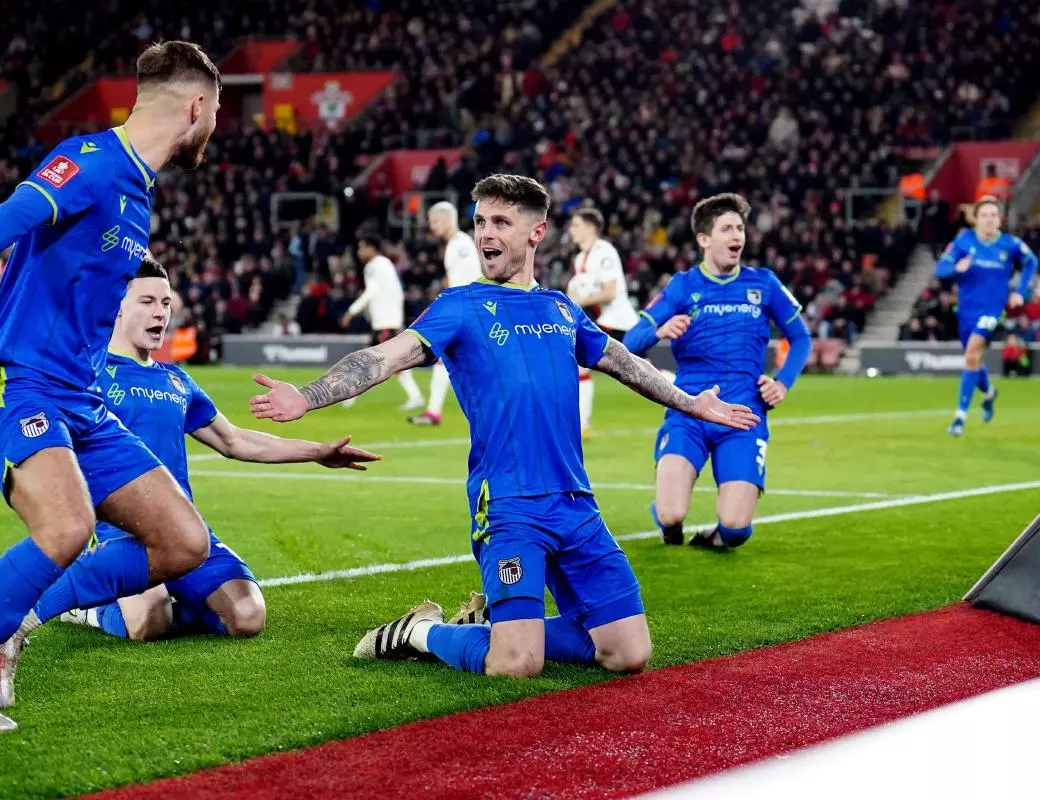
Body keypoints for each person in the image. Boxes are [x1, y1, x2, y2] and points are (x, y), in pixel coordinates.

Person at [249, 174, 759, 678]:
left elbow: (624, 361)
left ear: (536, 233)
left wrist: (689, 402)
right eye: (479, 222)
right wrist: (308, 396)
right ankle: (418, 632)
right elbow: (382, 359)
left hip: (576, 504)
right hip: (510, 505)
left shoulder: (560, 308)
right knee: (516, 663)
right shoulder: (459, 307)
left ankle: (499, 622)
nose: (485, 234)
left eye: (500, 222)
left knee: (628, 653)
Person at [0, 41, 224, 733]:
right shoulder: (94, 160)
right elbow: (27, 203)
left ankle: (15, 623)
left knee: (184, 542)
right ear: (197, 107)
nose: (214, 129)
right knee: (66, 527)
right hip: (18, 382)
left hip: (80, 401)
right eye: (217, 115)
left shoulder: (138, 191)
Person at [15, 256, 377, 650]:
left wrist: (316, 452)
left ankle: (173, 596)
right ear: (116, 305)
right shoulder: (87, 374)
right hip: (119, 530)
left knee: (247, 616)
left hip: (184, 529)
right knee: (148, 623)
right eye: (147, 302)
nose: (160, 313)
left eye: (166, 303)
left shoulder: (176, 379)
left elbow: (234, 440)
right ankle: (88, 608)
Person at [623, 193, 812, 550]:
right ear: (704, 239)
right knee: (671, 514)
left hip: (743, 413)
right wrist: (659, 332)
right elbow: (631, 342)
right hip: (689, 410)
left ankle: (712, 537)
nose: (737, 236)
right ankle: (666, 520)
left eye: (740, 228)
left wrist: (782, 383)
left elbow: (801, 338)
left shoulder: (764, 284)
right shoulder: (683, 285)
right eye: (727, 228)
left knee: (736, 529)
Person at [935, 197, 1036, 436]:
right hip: (966, 310)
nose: (990, 219)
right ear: (977, 219)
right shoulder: (964, 241)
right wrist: (955, 269)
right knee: (973, 360)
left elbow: (1032, 262)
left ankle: (959, 417)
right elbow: (940, 269)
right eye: (985, 215)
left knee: (971, 355)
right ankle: (989, 392)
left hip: (993, 311)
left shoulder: (1010, 244)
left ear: (1000, 219)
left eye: (994, 215)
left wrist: (1020, 292)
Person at [566, 207, 638, 439]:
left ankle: (693, 401)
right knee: (579, 368)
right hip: (602, 322)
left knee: (657, 369)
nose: (571, 230)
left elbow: (610, 291)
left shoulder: (604, 252)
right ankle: (582, 426)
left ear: (590, 228)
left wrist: (579, 299)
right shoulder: (579, 259)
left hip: (619, 322)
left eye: (576, 225)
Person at [409, 200, 483, 426]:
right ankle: (433, 412)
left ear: (448, 218)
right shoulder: (456, 244)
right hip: (466, 307)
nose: (433, 226)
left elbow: (468, 279)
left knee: (464, 360)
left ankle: (435, 412)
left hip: (468, 308)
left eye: (436, 220)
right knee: (448, 359)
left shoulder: (460, 244)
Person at [339, 233, 424, 410]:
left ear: (371, 248)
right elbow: (397, 292)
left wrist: (351, 312)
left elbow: (371, 292)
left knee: (371, 360)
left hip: (383, 322)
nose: (360, 252)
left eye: (362, 248)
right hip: (390, 320)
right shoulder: (386, 264)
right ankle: (415, 396)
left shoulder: (373, 266)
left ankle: (351, 397)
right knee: (388, 361)